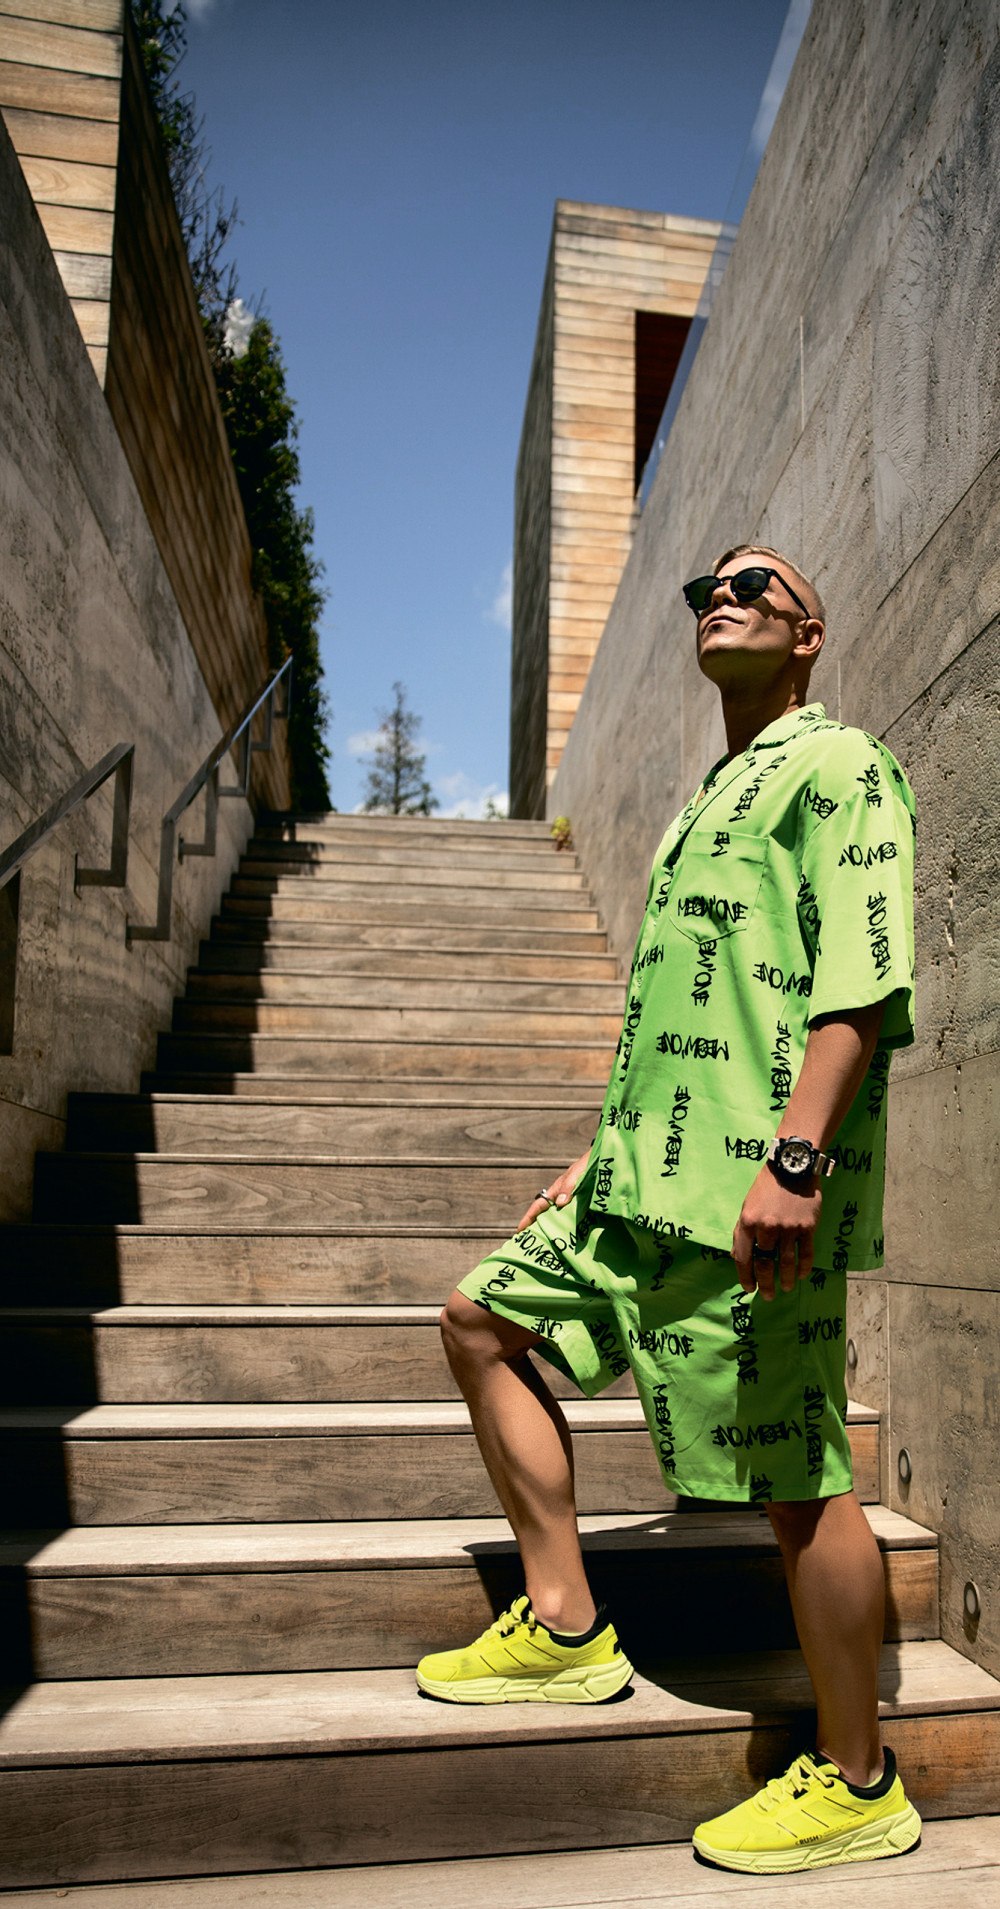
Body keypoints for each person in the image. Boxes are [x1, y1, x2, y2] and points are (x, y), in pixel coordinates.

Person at [415, 545, 921, 1876]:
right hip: (637, 1184)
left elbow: (861, 983)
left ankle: (861, 1778)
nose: (721, 600)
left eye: (755, 586)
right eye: (706, 590)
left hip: (749, 1196)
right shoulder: (708, 798)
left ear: (809, 634)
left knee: (798, 1481)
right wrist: (601, 1150)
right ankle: (566, 1623)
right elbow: (682, 1007)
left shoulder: (841, 765)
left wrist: (797, 1161)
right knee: (477, 1318)